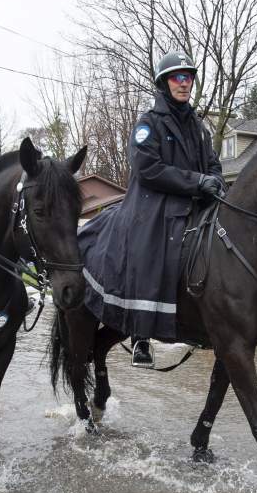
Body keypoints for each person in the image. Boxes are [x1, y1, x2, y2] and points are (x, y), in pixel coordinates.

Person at [78, 52, 224, 367]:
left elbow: (213, 163)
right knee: (150, 248)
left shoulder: (199, 127)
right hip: (154, 203)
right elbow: (147, 168)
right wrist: (197, 181)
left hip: (194, 200)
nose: (184, 83)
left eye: (188, 78)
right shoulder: (149, 124)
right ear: (164, 82)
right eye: (177, 77)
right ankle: (140, 334)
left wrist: (214, 180)